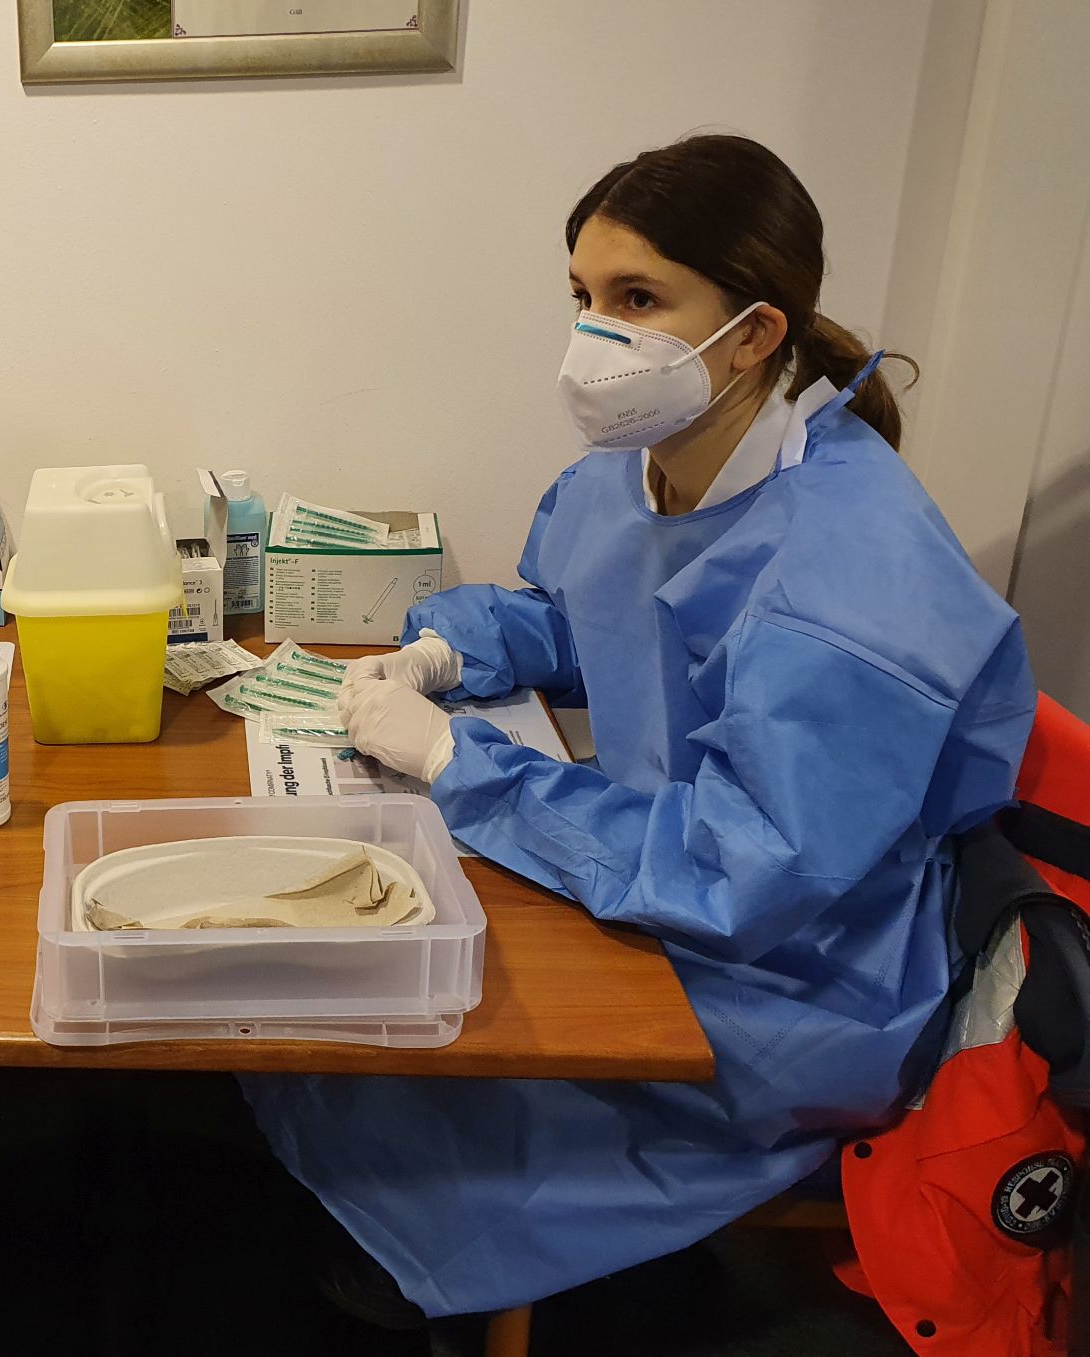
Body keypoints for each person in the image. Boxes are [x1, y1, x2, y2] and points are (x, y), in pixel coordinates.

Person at [244, 134, 1038, 1325]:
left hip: (789, 980)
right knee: (352, 993)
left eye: (637, 300)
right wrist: (449, 651)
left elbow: (747, 872)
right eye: (583, 296)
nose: (595, 338)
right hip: (655, 869)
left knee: (439, 1037)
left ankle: (445, 1276)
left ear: (755, 332)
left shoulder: (853, 578)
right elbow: (590, 614)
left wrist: (458, 761)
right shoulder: (642, 467)